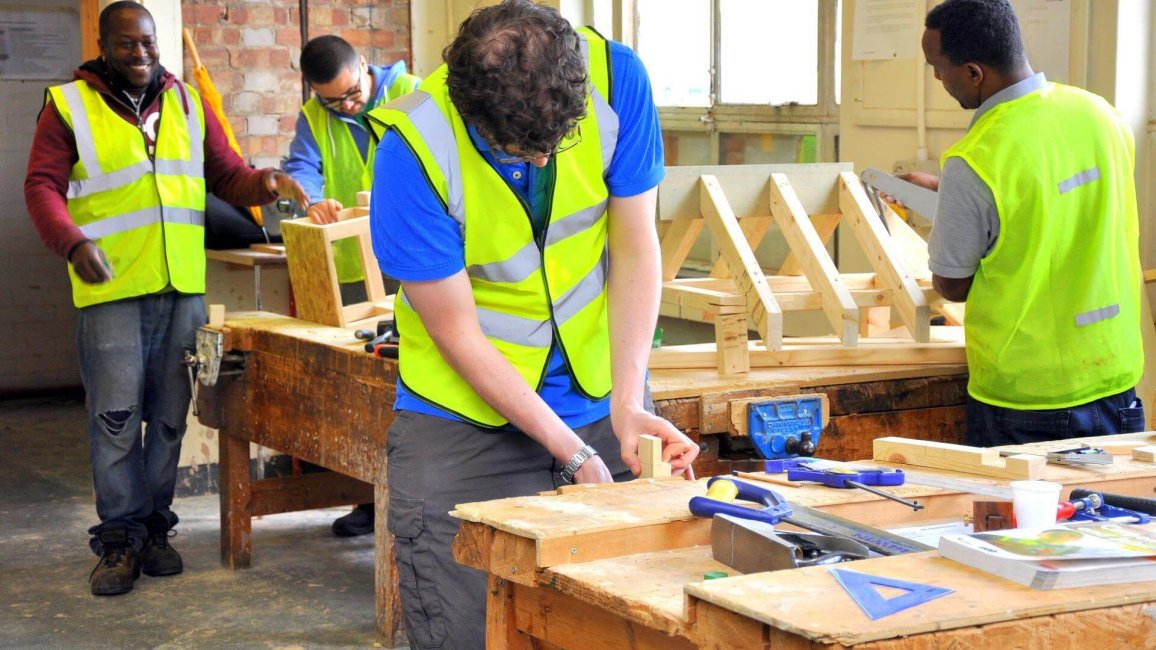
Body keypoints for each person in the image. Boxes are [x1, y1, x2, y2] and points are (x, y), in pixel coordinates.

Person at [365, 1, 699, 646]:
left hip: (597, 391)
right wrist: (568, 450)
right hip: (459, 415)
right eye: (521, 149)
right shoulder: (412, 145)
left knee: (631, 618)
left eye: (557, 143)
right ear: (470, 110)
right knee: (463, 622)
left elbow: (633, 244)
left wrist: (628, 400)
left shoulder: (618, 78)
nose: (543, 162)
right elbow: (454, 328)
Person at [24, 1, 308, 596]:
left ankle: (157, 530)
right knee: (117, 419)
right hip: (112, 292)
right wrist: (72, 243)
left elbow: (224, 175)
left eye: (149, 43)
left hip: (182, 289)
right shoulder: (68, 106)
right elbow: (42, 186)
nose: (141, 53)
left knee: (171, 420)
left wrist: (267, 182)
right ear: (103, 45)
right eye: (127, 44)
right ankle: (119, 539)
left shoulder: (183, 100)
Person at [912, 0, 1144, 447]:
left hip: (1027, 396)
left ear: (974, 73)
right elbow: (1060, 195)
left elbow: (952, 284)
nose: (939, 80)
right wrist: (951, 191)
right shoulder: (1100, 114)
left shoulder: (976, 158)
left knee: (1021, 518)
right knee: (1113, 517)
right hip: (1114, 377)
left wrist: (959, 199)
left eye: (938, 69)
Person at [285, 35, 420, 538]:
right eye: (333, 99)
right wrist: (312, 198)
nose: (346, 105)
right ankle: (367, 499)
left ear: (365, 65)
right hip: (349, 263)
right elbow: (300, 167)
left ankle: (408, 501)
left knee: (403, 385)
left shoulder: (411, 90)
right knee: (358, 386)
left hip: (408, 260)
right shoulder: (315, 116)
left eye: (352, 94)